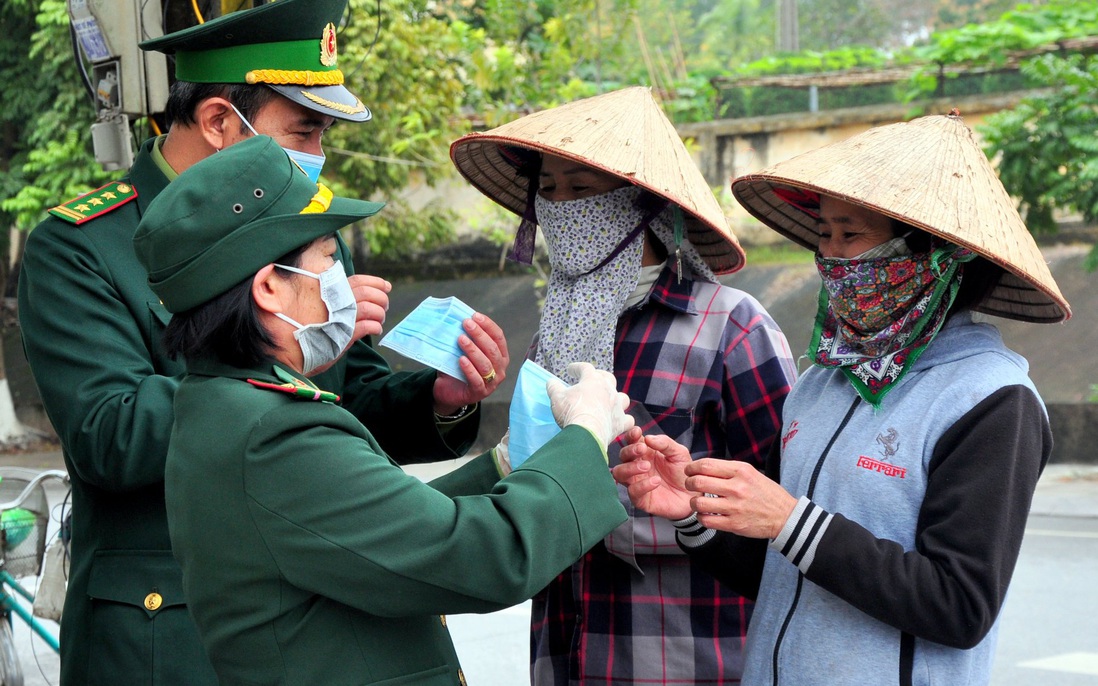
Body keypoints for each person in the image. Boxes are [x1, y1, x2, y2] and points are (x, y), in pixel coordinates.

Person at [17, 1, 506, 683]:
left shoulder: (304, 229)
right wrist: (268, 354)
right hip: (169, 627)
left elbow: (349, 395)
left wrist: (441, 400)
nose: (317, 157)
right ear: (220, 121)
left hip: (313, 614)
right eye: (302, 134)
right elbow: (109, 436)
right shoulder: (83, 246)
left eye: (324, 137)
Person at [131, 134, 634, 685]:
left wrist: (506, 466)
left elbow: (375, 531)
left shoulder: (220, 404)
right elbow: (482, 556)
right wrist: (584, 436)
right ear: (270, 288)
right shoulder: (275, 432)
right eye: (326, 260)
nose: (340, 282)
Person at [612, 112, 1072, 685]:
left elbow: (959, 605)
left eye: (850, 236)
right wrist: (695, 516)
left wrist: (789, 518)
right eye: (823, 234)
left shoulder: (991, 399)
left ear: (934, 256)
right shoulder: (819, 384)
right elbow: (785, 569)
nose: (830, 257)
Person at [450, 86, 797, 684]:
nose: (560, 206)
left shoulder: (732, 328)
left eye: (581, 188)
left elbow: (781, 506)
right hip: (566, 649)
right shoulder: (554, 335)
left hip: (686, 655)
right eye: (549, 190)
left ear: (643, 207)